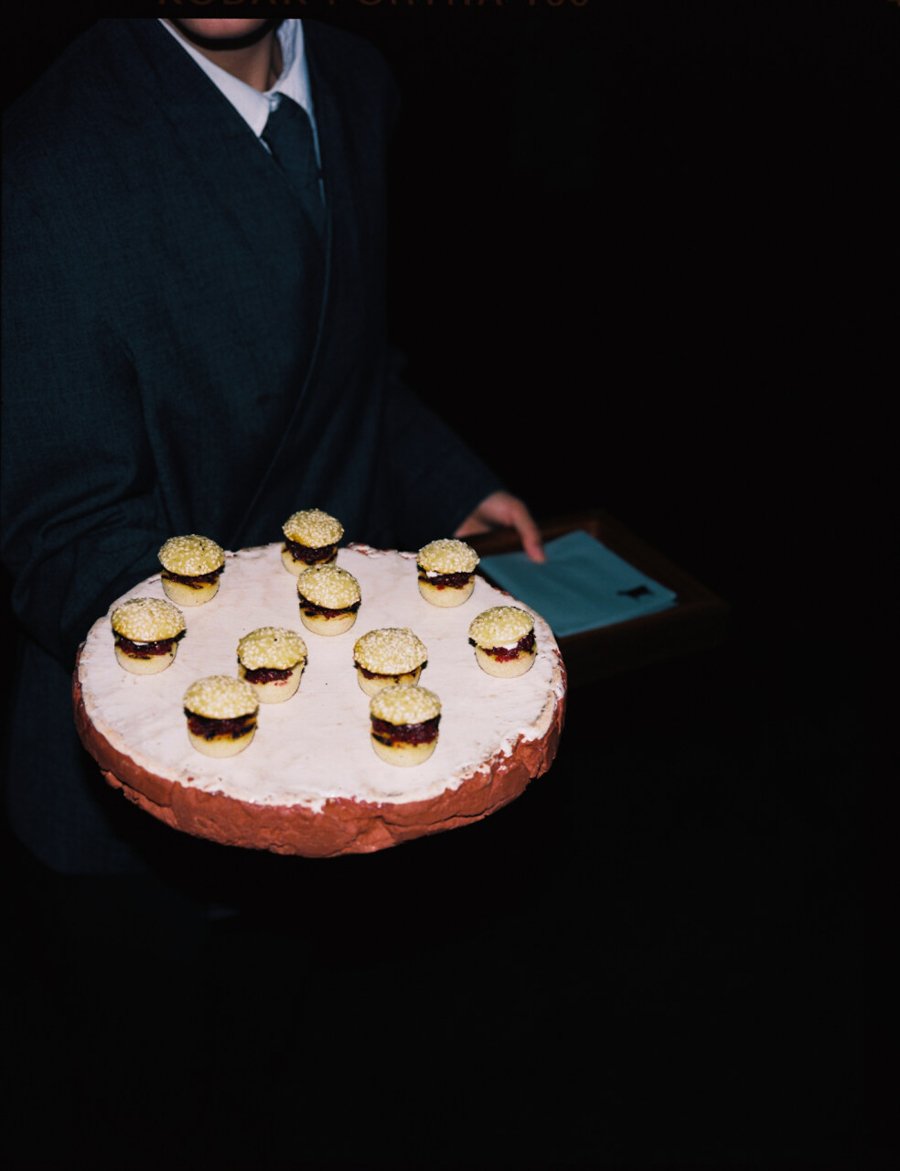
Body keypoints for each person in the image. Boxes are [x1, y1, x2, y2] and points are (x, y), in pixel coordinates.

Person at [1, 17, 545, 907]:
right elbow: (66, 531)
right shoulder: (45, 160)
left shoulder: (357, 77)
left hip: (361, 766)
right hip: (141, 824)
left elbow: (346, 358)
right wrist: (295, 699)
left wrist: (448, 482)